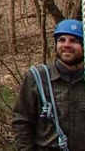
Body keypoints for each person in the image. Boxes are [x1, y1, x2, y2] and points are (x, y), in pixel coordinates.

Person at [12, 19, 84, 151]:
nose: (67, 45)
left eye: (74, 41)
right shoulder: (37, 78)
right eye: (62, 40)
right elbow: (22, 122)